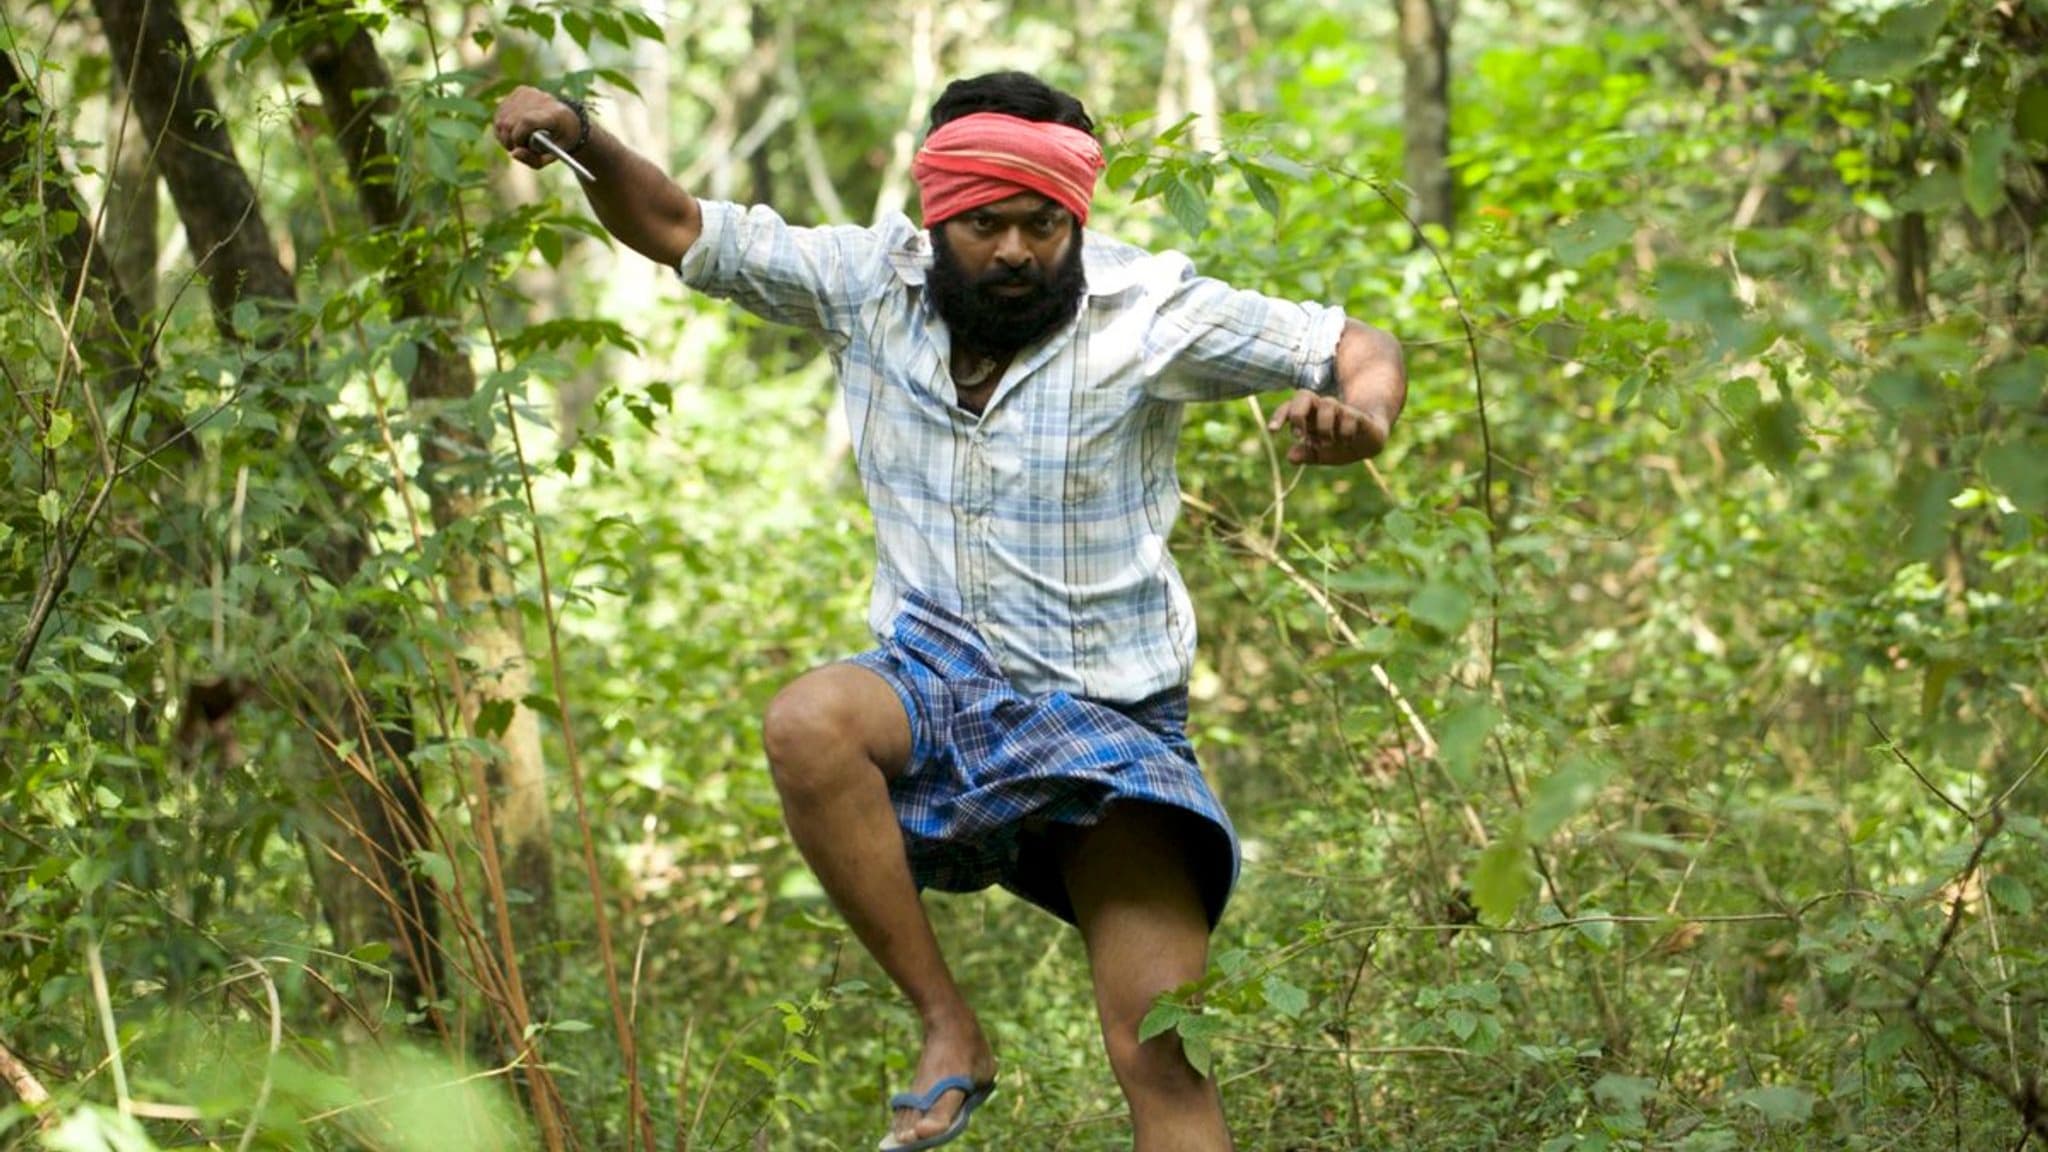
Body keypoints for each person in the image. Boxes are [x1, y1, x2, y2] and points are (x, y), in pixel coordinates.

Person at [493, 70, 1405, 1152]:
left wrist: (1364, 416)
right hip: (937, 681)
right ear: (936, 217)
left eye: (1042, 226)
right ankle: (947, 1025)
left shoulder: (1149, 313)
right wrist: (580, 134)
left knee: (1160, 1051)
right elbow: (675, 224)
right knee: (808, 722)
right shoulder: (862, 284)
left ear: (1076, 219)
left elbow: (1355, 344)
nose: (1015, 251)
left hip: (1111, 721)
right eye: (985, 225)